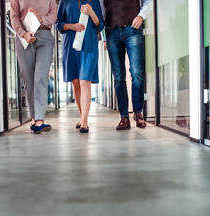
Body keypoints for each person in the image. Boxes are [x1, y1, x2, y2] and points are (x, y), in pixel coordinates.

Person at [100, 0, 152, 130]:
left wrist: (142, 15)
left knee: (137, 73)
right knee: (118, 77)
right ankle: (124, 117)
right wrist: (103, 37)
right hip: (111, 31)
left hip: (132, 29)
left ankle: (138, 113)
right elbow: (100, 9)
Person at [56, 0, 104, 133]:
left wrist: (91, 12)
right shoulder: (65, 1)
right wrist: (72, 26)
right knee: (76, 82)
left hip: (89, 44)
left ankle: (84, 121)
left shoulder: (94, 1)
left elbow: (100, 26)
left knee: (85, 81)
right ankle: (82, 116)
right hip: (71, 45)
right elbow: (58, 24)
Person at [10, 0, 57, 134]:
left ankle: (39, 119)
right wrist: (23, 34)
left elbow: (54, 15)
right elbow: (14, 17)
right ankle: (34, 117)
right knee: (29, 80)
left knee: (40, 78)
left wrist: (40, 18)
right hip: (25, 37)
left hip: (45, 37)